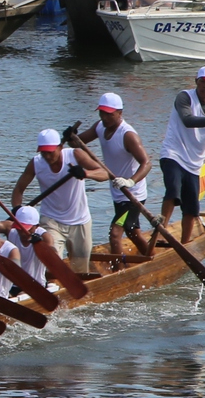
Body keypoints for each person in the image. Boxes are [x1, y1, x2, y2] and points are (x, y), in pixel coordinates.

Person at [10, 128, 109, 279]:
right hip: (51, 220)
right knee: (51, 263)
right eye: (44, 153)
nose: (47, 156)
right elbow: (18, 190)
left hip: (80, 220)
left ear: (60, 147)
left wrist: (85, 173)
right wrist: (17, 211)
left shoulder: (75, 155)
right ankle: (51, 289)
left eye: (51, 152)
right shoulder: (36, 163)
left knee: (80, 269)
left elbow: (104, 173)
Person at [156, 66, 205, 243]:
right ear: (196, 81)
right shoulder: (184, 97)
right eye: (203, 83)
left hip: (194, 163)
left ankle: (184, 245)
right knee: (173, 191)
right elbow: (188, 120)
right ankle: (160, 234)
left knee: (191, 208)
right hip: (173, 154)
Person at [80, 92, 152, 257]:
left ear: (120, 113)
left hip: (132, 194)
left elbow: (147, 163)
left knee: (115, 234)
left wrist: (130, 182)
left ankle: (118, 271)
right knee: (132, 231)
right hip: (118, 192)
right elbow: (78, 141)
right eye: (101, 113)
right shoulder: (99, 127)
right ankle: (150, 256)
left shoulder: (128, 135)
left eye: (109, 114)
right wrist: (70, 136)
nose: (104, 117)